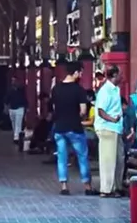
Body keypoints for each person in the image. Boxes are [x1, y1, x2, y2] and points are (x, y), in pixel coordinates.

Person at [50, 61, 96, 196]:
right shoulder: (79, 90)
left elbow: (54, 108)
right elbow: (82, 111)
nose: (81, 75)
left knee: (62, 157)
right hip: (75, 127)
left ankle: (64, 186)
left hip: (59, 127)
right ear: (75, 72)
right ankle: (87, 186)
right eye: (80, 72)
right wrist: (79, 116)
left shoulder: (56, 89)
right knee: (82, 156)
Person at [93, 66, 124, 198]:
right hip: (107, 128)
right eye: (121, 74)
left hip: (116, 128)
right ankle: (106, 189)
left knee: (119, 158)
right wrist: (112, 119)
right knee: (108, 160)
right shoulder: (105, 90)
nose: (123, 77)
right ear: (115, 75)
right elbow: (101, 111)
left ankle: (117, 186)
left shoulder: (115, 89)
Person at [6, 76, 28, 145]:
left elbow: (24, 98)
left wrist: (26, 106)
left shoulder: (21, 90)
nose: (13, 82)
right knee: (14, 123)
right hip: (12, 108)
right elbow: (6, 99)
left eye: (14, 81)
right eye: (12, 81)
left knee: (18, 123)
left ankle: (16, 138)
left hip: (19, 108)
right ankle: (16, 135)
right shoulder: (10, 90)